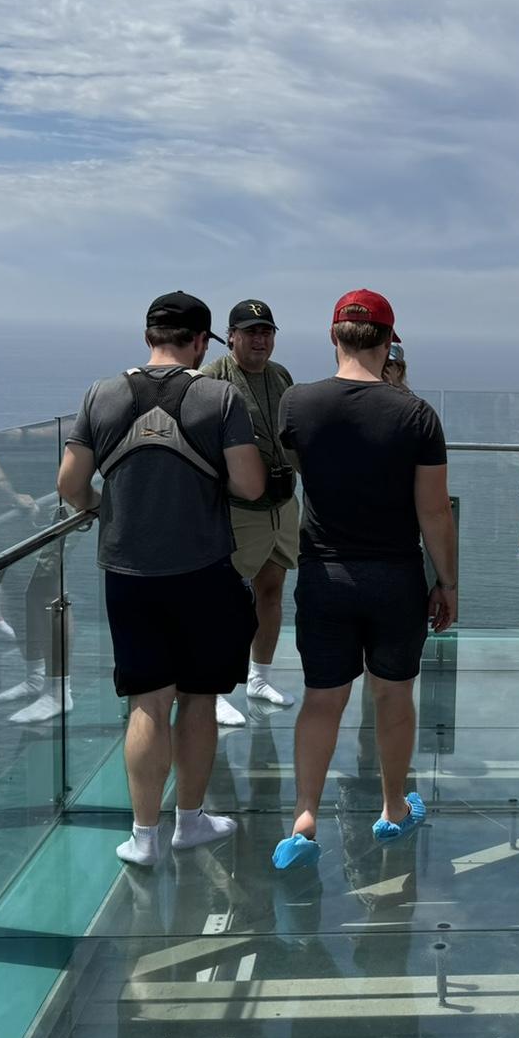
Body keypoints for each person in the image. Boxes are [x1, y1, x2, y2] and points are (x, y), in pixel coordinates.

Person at [58, 291, 265, 866]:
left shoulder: (101, 394)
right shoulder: (219, 397)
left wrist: (105, 507)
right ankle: (190, 822)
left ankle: (144, 837)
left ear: (149, 335)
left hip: (128, 572)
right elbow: (249, 485)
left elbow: (70, 485)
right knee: (199, 700)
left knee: (148, 703)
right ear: (200, 341)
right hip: (202, 570)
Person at [273, 289, 457, 869]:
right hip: (395, 576)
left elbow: (304, 469)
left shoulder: (296, 404)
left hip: (324, 574)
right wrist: (447, 582)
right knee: (393, 695)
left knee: (321, 699)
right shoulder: (416, 414)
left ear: (334, 336)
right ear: (388, 341)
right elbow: (433, 511)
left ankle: (305, 817)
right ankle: (392, 808)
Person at [201, 298, 299, 724]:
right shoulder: (212, 380)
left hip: (281, 504)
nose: (260, 339)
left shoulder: (282, 377)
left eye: (267, 331)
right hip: (237, 508)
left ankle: (259, 677)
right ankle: (215, 687)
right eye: (251, 331)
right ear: (232, 336)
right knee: (224, 600)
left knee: (272, 590)